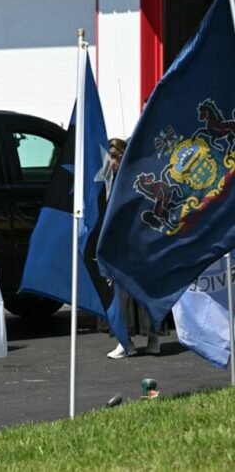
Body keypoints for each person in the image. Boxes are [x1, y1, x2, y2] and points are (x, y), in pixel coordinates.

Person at [105, 138, 166, 359]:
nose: (111, 162)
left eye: (115, 158)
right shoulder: (108, 181)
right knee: (120, 296)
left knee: (144, 292)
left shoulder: (138, 178)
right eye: (110, 158)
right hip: (118, 244)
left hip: (140, 244)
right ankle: (125, 341)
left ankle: (154, 337)